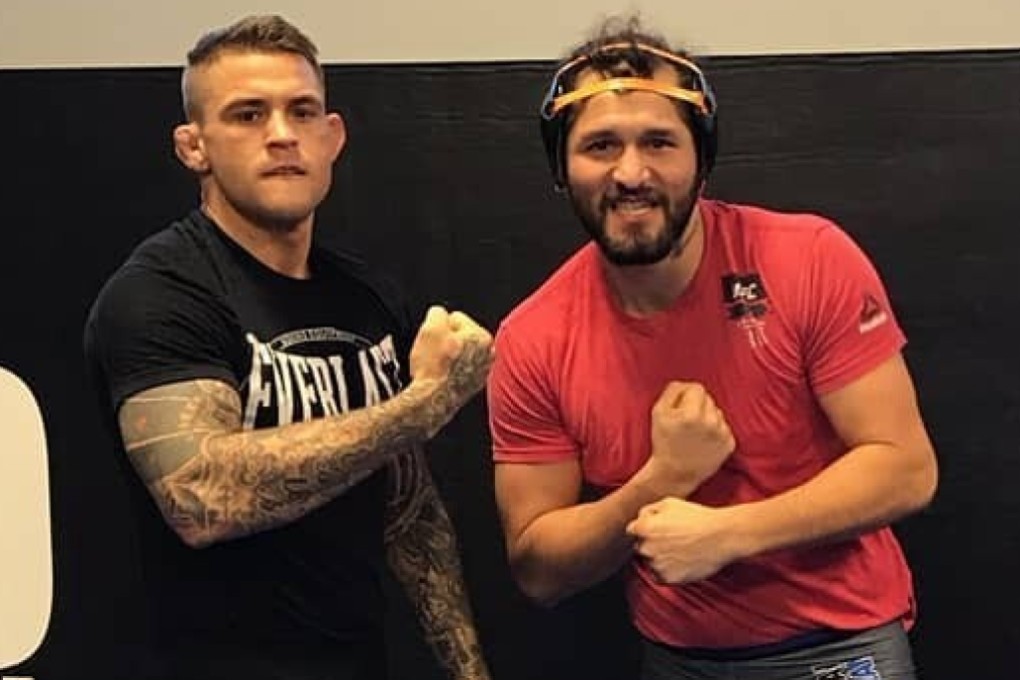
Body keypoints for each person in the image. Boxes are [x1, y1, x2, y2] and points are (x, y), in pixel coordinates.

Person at [487, 15, 938, 680]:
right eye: (601, 145)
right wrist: (661, 480)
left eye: (660, 142)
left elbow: (906, 469)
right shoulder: (533, 338)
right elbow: (537, 567)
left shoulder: (805, 259)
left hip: (837, 648)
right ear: (562, 165)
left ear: (702, 159)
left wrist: (730, 534)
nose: (631, 172)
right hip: (676, 660)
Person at [83, 14, 494, 680]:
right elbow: (201, 496)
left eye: (302, 111)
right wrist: (425, 405)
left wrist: (470, 670)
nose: (281, 135)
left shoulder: (366, 297)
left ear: (332, 138)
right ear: (194, 146)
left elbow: (407, 509)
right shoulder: (158, 294)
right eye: (247, 115)